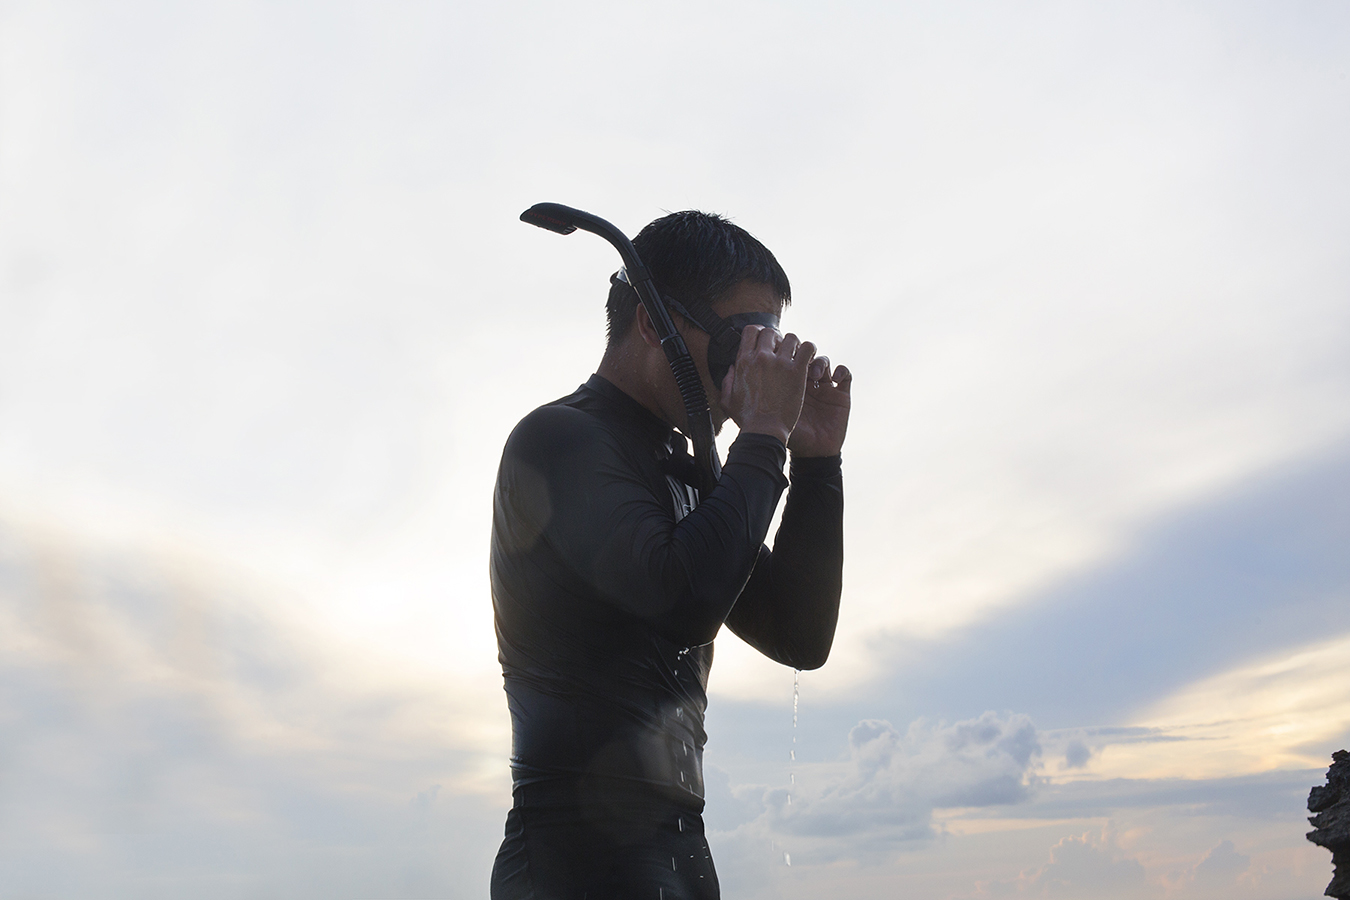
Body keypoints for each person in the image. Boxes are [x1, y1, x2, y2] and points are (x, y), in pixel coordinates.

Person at [489, 210, 850, 899]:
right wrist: (763, 435)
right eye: (744, 341)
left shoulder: (690, 474)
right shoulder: (559, 441)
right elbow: (679, 602)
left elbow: (800, 635)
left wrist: (816, 464)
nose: (754, 366)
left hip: (680, 852)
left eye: (769, 345)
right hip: (575, 858)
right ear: (653, 322)